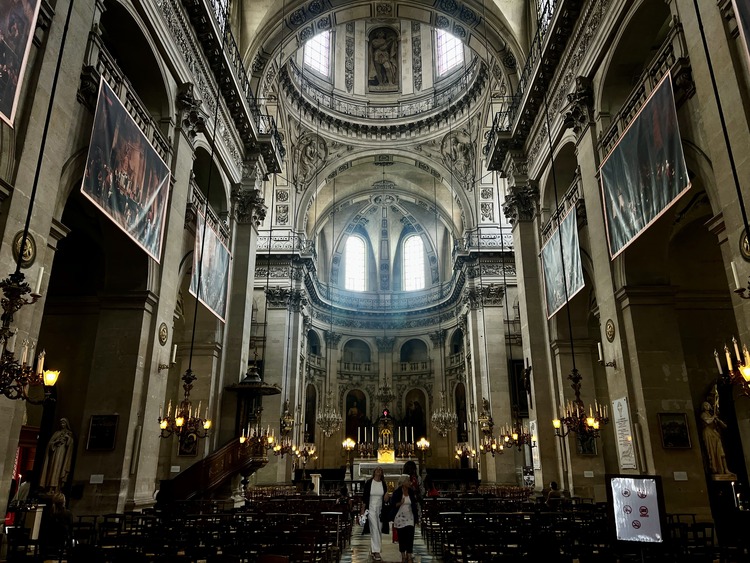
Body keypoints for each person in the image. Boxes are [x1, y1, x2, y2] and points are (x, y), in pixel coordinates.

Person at [360, 466, 389, 561]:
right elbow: (365, 497)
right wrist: (363, 510)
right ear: (374, 472)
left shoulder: (383, 484)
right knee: (374, 528)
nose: (378, 471)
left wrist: (386, 497)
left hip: (380, 509)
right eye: (377, 470)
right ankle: (377, 552)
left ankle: (373, 549)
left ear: (381, 473)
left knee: (378, 529)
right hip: (371, 508)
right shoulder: (369, 483)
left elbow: (385, 498)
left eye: (380, 470)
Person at [390, 474, 419, 563]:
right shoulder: (397, 492)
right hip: (400, 518)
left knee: (410, 536)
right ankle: (403, 555)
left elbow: (414, 504)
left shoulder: (411, 491)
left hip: (410, 517)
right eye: (407, 481)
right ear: (403, 483)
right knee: (402, 537)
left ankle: (409, 554)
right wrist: (400, 503)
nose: (409, 482)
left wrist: (417, 518)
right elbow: (393, 505)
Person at [40, 418, 74, 491]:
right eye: (61, 423)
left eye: (64, 423)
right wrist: (56, 442)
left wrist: (68, 438)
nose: (62, 424)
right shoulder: (56, 433)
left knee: (59, 470)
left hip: (62, 454)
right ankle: (50, 487)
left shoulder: (69, 433)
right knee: (52, 469)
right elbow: (50, 444)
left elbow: (70, 444)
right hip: (55, 453)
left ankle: (57, 488)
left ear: (66, 424)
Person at [700, 399, 733, 475]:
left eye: (708, 405)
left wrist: (717, 419)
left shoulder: (712, 415)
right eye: (705, 405)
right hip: (708, 433)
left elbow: (724, 426)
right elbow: (708, 421)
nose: (707, 406)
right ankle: (717, 469)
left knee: (721, 452)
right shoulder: (703, 415)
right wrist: (713, 417)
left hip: (715, 434)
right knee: (712, 452)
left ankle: (725, 469)